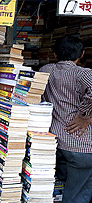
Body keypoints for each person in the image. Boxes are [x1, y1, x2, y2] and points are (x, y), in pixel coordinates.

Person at [40, 36, 92, 203]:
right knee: (77, 194)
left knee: (59, 189)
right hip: (80, 145)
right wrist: (84, 116)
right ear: (82, 54)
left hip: (55, 141)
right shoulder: (82, 73)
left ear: (55, 54)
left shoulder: (45, 70)